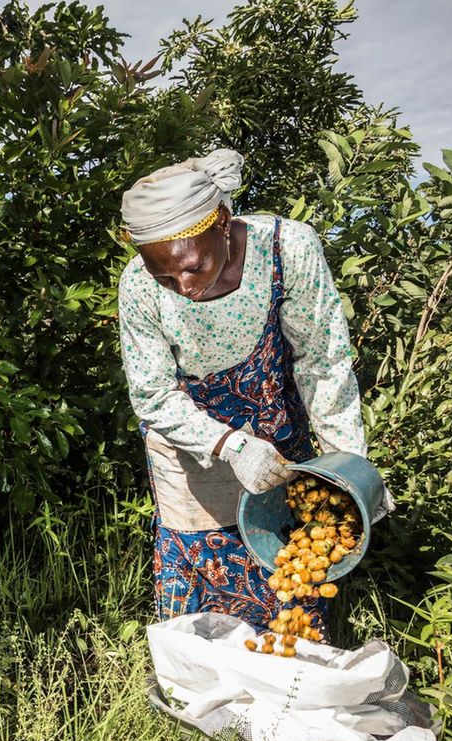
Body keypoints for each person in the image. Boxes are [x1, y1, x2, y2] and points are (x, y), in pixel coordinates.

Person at [116, 148, 392, 633]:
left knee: (290, 556)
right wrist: (229, 444)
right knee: (200, 567)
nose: (181, 286)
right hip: (191, 445)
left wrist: (349, 467)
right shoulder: (139, 286)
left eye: (192, 268)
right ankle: (206, 697)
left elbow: (323, 364)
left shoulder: (287, 249)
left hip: (280, 436)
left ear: (222, 222)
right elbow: (154, 394)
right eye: (165, 276)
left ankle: (290, 684)